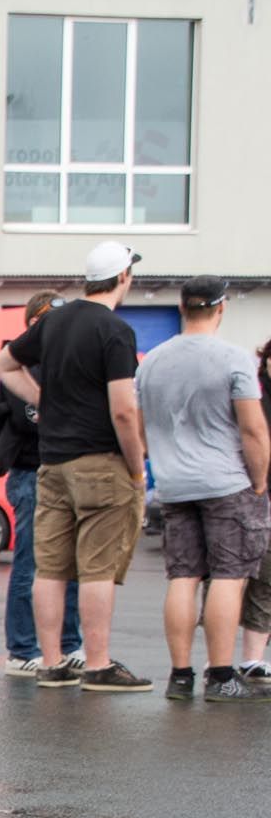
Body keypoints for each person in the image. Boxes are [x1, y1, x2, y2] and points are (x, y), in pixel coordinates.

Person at [0, 240, 149, 693]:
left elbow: (4, 363)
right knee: (98, 567)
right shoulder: (115, 330)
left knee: (50, 567)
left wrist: (43, 400)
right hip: (100, 461)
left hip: (52, 462)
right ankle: (96, 664)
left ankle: (51, 663)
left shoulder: (54, 322)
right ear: (123, 277)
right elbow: (123, 410)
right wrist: (136, 467)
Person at [137, 280, 271, 702]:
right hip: (226, 482)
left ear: (182, 307)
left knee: (183, 576)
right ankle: (221, 676)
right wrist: (259, 481)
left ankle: (180, 676)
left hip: (175, 484)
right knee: (230, 577)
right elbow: (253, 429)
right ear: (221, 308)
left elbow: (140, 427)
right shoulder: (233, 358)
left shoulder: (151, 362)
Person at [0, 292, 83, 677]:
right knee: (30, 563)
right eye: (49, 320)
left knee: (69, 564)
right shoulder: (19, 363)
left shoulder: (63, 360)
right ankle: (23, 648)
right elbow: (29, 417)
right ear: (32, 323)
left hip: (63, 469)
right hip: (31, 472)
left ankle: (69, 644)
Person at [240, 337, 271, 688]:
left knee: (265, 581)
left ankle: (253, 658)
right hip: (248, 493)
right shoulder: (251, 392)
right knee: (237, 578)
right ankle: (226, 660)